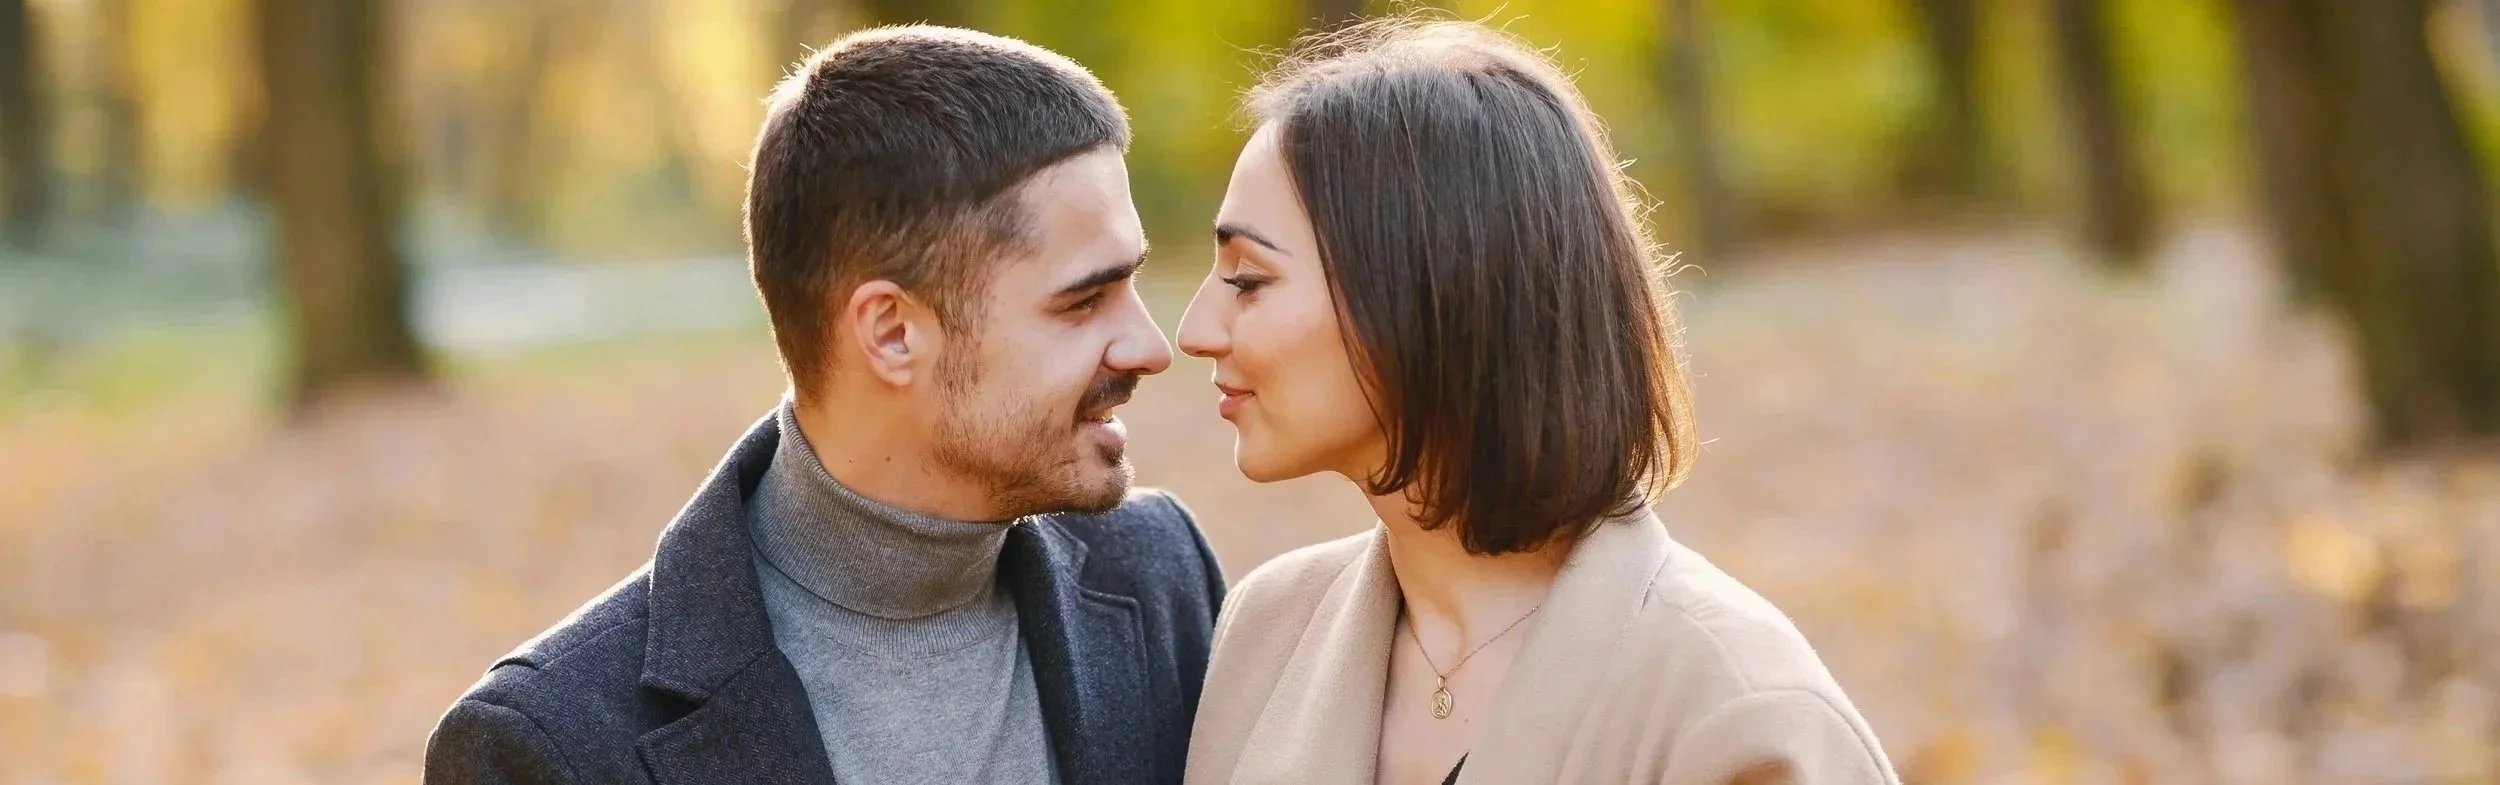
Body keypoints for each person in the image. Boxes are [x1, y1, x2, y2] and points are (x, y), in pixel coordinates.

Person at [423, 26, 1225, 785]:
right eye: (1084, 302)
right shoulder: (550, 744)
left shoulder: (1162, 577)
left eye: (1133, 282)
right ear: (891, 332)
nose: (1153, 346)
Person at [1177, 18, 1896, 785]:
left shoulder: (1737, 714)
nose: (1193, 331)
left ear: (1431, 291)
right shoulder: (1266, 634)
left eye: (1248, 279)